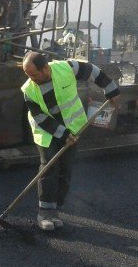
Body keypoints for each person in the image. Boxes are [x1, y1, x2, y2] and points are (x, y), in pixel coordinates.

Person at [21, 52, 120, 231]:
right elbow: (40, 117)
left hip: (73, 127)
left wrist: (111, 89)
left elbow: (92, 71)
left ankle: (55, 210)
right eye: (28, 75)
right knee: (49, 167)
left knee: (66, 168)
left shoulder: (66, 68)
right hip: (46, 131)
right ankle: (44, 213)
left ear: (45, 68)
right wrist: (63, 134)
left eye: (33, 74)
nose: (31, 78)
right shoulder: (29, 90)